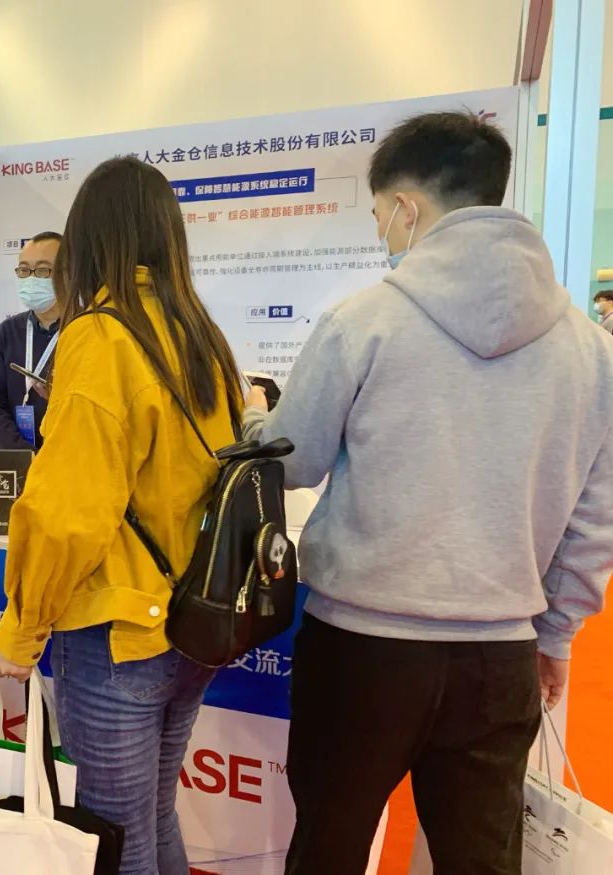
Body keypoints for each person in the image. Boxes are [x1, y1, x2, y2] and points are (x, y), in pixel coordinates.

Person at [243, 112, 613, 875]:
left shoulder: (362, 322)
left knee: (329, 849)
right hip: (500, 654)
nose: (381, 229)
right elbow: (595, 516)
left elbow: (293, 459)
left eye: (379, 212)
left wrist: (252, 419)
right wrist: (556, 633)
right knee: (480, 860)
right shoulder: (592, 349)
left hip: (361, 647)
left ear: (407, 207)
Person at [0, 158, 243, 875]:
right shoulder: (199, 334)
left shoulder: (102, 336)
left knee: (112, 837)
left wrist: (22, 629)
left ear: (89, 239)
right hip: (188, 621)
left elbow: (68, 511)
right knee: (151, 817)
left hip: (116, 631)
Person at [0, 232, 62, 449]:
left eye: (42, 270)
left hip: (67, 458)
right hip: (18, 458)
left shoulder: (84, 331)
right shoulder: (6, 332)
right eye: (24, 270)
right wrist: (23, 454)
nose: (31, 279)